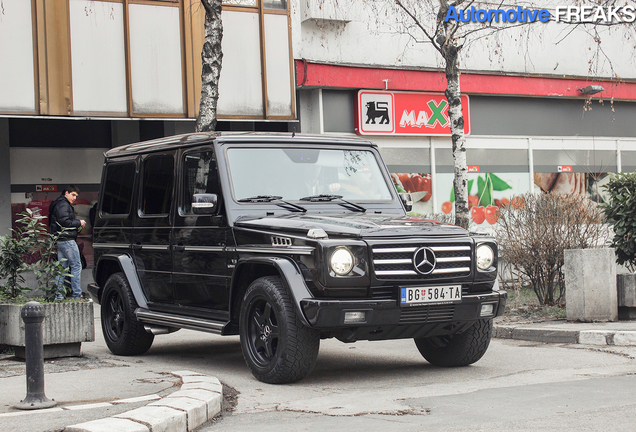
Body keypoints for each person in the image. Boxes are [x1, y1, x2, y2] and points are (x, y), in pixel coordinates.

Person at [48, 185, 86, 300]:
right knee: (76, 266)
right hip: (67, 240)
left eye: (76, 196)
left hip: (61, 240)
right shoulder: (63, 204)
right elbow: (64, 221)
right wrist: (79, 223)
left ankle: (59, 296)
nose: (75, 198)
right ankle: (77, 295)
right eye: (73, 195)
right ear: (66, 193)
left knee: (62, 269)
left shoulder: (59, 203)